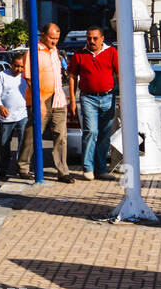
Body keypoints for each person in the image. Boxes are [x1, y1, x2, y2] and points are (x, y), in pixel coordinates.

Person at [18, 23, 73, 183]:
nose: (54, 41)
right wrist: (39, 101)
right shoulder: (33, 52)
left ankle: (63, 171)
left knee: (61, 136)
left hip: (58, 98)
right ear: (43, 35)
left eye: (57, 38)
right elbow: (29, 78)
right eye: (51, 38)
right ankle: (23, 166)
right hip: (40, 99)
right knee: (33, 134)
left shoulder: (55, 52)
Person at [69, 26, 119, 181]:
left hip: (108, 97)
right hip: (88, 97)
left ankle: (101, 169)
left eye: (95, 38)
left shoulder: (111, 52)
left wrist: (122, 97)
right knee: (91, 131)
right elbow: (72, 76)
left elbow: (119, 74)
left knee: (105, 135)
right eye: (89, 38)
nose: (91, 41)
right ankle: (88, 167)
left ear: (102, 38)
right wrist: (72, 99)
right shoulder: (79, 54)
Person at [0, 53, 29, 179]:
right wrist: (0, 106)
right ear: (11, 64)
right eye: (16, 66)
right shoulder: (2, 76)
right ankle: (3, 170)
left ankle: (22, 169)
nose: (18, 69)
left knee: (24, 144)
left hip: (23, 115)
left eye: (21, 67)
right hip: (6, 117)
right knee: (4, 144)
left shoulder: (25, 76)